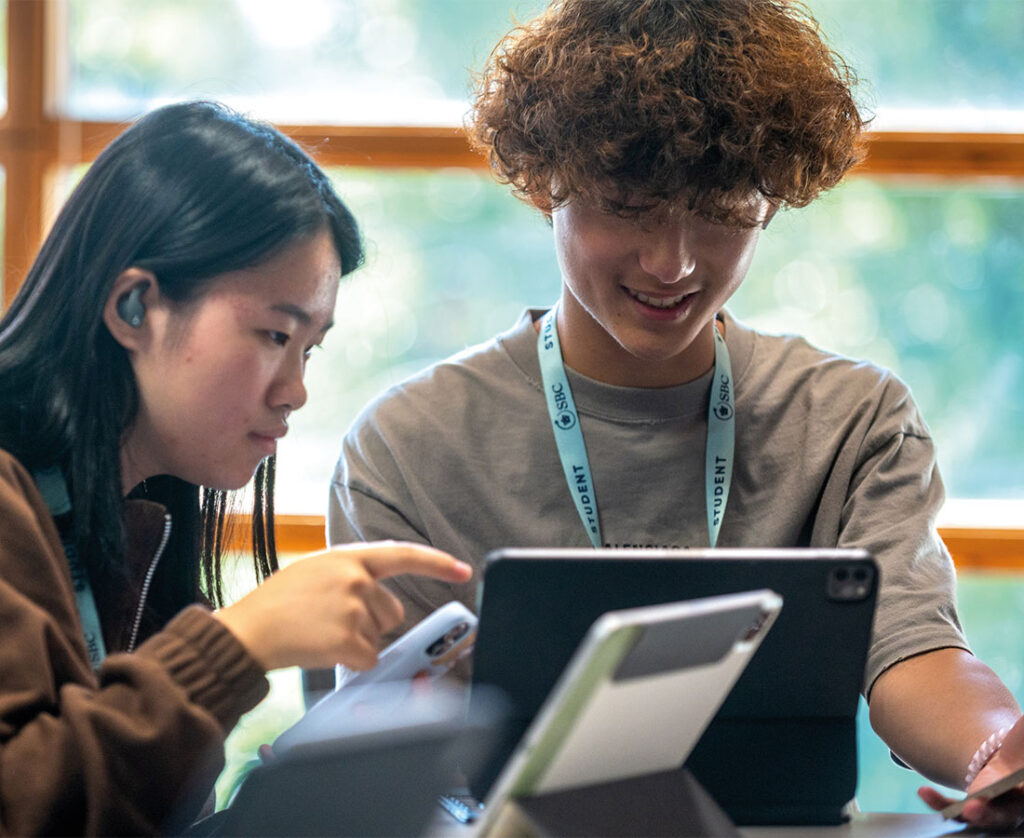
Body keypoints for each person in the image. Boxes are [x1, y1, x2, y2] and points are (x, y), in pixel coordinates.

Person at [327, 0, 1024, 829]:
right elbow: (388, 750)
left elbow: (917, 652)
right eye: (628, 204)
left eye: (723, 208)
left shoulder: (851, 420)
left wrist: (997, 753)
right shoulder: (409, 444)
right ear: (547, 178)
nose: (675, 261)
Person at [0, 100, 472, 836]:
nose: (297, 390)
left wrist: (303, 791)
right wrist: (239, 645)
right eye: (274, 335)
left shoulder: (144, 517)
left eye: (309, 349)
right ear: (132, 306)